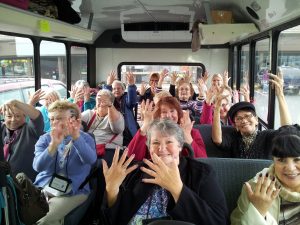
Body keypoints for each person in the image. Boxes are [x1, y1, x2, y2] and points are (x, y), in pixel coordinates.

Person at [102, 120, 228, 225]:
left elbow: (219, 221)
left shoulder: (202, 173)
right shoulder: (134, 171)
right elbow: (113, 220)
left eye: (169, 142)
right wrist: (111, 190)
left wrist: (178, 190)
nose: (161, 149)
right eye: (155, 143)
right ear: (149, 147)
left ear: (180, 146)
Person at [33, 100, 97, 225]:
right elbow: (38, 167)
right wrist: (53, 146)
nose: (54, 123)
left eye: (59, 118)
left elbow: (91, 160)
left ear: (72, 119)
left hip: (75, 190)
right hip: (45, 187)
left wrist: (76, 138)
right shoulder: (45, 139)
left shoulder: (85, 138)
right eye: (51, 119)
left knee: (42, 220)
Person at [231, 124, 300, 225]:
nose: (290, 168)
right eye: (281, 160)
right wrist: (258, 212)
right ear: (273, 160)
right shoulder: (254, 188)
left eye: (297, 159)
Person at [212, 73, 292, 159]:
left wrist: (280, 95)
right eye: (239, 118)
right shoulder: (233, 138)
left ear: (256, 120)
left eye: (247, 116)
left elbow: (287, 131)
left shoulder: (267, 136)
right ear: (235, 125)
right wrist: (217, 109)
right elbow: (217, 140)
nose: (244, 121)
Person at [128, 96, 207, 160]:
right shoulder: (151, 134)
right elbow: (132, 157)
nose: (168, 115)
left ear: (178, 113)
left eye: (172, 111)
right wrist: (145, 125)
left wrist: (187, 136)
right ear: (159, 116)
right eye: (164, 112)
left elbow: (203, 161)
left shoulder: (193, 133)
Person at [0, 99, 44, 181]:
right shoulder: (1, 128)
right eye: (9, 116)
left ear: (25, 116)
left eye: (17, 116)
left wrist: (16, 103)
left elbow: (37, 116)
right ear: (3, 117)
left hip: (25, 183)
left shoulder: (31, 130)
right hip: (4, 182)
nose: (13, 119)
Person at [81, 89, 125, 156]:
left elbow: (118, 129)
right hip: (90, 149)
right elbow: (76, 124)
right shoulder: (90, 113)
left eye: (105, 100)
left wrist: (109, 106)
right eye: (99, 99)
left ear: (111, 103)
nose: (102, 103)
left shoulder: (117, 115)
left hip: (110, 150)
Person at [104, 71, 139, 146]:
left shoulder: (127, 99)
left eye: (119, 88)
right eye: (114, 88)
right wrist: (108, 85)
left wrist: (131, 85)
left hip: (127, 131)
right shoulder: (109, 100)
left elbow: (132, 101)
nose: (116, 90)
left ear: (123, 90)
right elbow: (104, 98)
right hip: (112, 130)